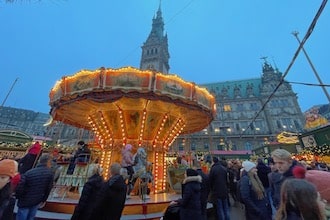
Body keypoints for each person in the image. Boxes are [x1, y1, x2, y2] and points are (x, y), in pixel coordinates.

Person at [15, 154, 55, 220]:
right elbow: (48, 188)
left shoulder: (29, 172)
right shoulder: (50, 174)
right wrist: (44, 200)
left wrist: (18, 196)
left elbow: (21, 186)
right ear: (48, 162)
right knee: (31, 217)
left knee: (21, 217)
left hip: (25, 199)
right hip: (37, 199)